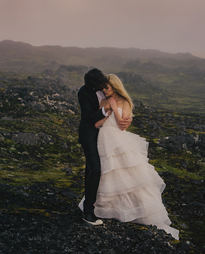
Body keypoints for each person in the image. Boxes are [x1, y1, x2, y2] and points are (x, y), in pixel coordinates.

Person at [81, 74, 179, 240]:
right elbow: (97, 123)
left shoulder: (125, 102)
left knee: (125, 171)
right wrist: (107, 110)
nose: (104, 91)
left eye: (107, 87)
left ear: (115, 86)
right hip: (104, 139)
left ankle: (134, 209)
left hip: (118, 139)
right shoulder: (104, 101)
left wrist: (114, 109)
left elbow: (122, 124)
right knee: (107, 172)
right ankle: (109, 208)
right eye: (103, 88)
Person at [77, 68, 131, 225]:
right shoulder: (83, 93)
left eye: (104, 85)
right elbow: (88, 118)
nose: (103, 88)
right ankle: (88, 213)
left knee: (96, 170)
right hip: (89, 135)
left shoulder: (108, 91)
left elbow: (122, 107)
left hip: (104, 138)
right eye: (100, 86)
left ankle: (93, 206)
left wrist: (127, 120)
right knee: (95, 170)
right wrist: (105, 109)